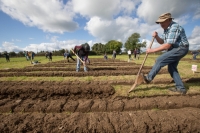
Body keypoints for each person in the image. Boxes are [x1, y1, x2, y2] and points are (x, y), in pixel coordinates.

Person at [140, 12, 189, 95]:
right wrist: (156, 37)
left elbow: (167, 45)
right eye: (160, 22)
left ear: (169, 20)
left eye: (163, 22)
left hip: (181, 48)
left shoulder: (174, 27)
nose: (161, 24)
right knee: (171, 68)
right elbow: (162, 41)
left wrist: (151, 51)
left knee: (160, 60)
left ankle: (148, 78)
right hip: (175, 49)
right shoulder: (166, 29)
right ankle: (181, 88)